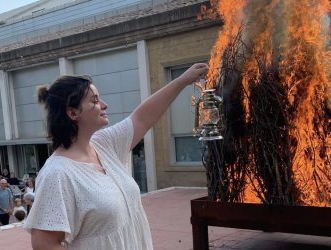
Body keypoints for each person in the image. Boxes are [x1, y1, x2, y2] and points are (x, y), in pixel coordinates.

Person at [24, 63, 208, 249]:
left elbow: (142, 119)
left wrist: (182, 80)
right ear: (72, 113)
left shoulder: (104, 144)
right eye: (95, 101)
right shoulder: (57, 174)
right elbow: (44, 244)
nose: (104, 105)